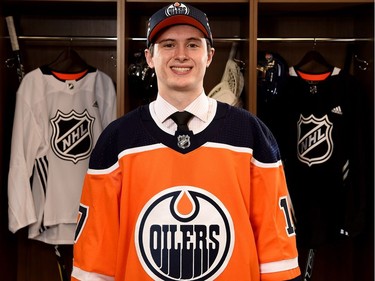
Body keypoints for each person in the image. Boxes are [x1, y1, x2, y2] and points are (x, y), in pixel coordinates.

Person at [71, 2, 302, 281]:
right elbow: (94, 261)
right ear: (149, 57)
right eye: (168, 45)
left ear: (209, 56)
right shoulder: (117, 140)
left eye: (193, 45)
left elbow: (277, 255)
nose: (181, 55)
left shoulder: (251, 134)